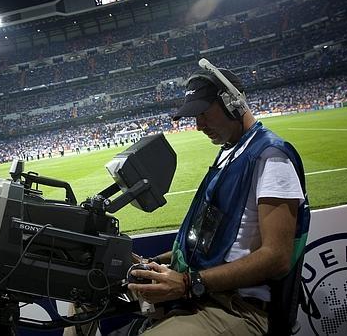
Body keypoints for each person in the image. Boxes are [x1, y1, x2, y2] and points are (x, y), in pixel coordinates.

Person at [122, 63, 311, 335]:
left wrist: (188, 282)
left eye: (202, 113)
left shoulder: (271, 157)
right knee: (85, 300)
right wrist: (154, 264)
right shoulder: (230, 153)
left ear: (232, 103)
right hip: (203, 296)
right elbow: (208, 243)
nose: (198, 125)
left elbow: (277, 257)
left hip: (240, 307)